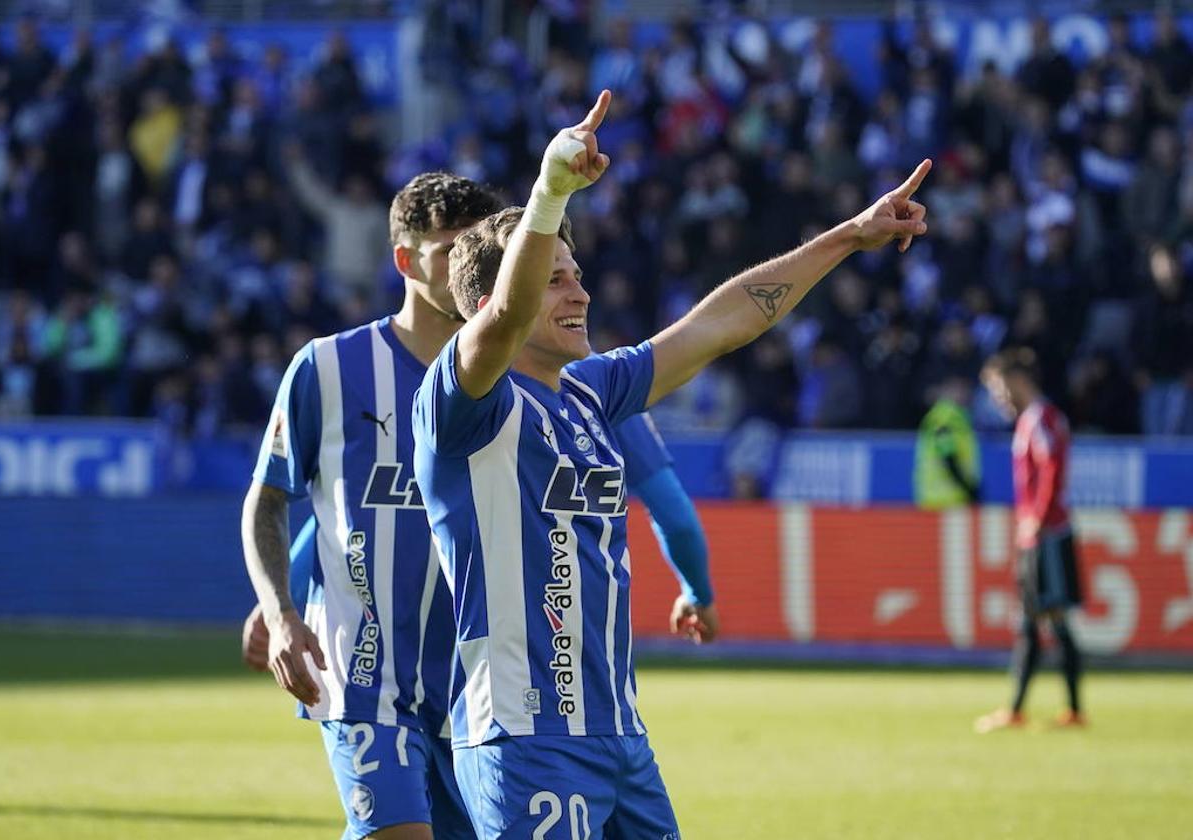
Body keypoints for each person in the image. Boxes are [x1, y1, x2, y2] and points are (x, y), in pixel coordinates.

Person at [411, 89, 929, 837]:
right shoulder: (461, 403)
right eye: (556, 277)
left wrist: (847, 236)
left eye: (578, 272)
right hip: (526, 738)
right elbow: (500, 322)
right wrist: (551, 190)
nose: (580, 291)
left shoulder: (593, 392)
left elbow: (721, 323)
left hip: (620, 736)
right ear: (499, 298)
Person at [241, 171, 715, 840]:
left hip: (482, 689)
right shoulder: (328, 369)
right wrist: (280, 605)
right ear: (407, 261)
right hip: (371, 677)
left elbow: (666, 498)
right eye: (449, 248)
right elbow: (309, 509)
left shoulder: (567, 379)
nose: (471, 257)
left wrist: (698, 585)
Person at [975, 348, 1085, 734]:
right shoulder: (1031, 420)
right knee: (1033, 621)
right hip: (1036, 532)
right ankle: (1025, 709)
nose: (997, 397)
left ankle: (1065, 710)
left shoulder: (1042, 418)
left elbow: (1053, 469)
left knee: (1048, 620)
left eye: (998, 387)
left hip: (1046, 534)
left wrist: (1037, 519)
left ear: (1018, 380)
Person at [914, 375, 981, 509]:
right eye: (957, 388)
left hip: (941, 499)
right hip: (945, 500)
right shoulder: (945, 418)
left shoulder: (952, 416)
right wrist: (968, 487)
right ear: (945, 390)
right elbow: (947, 456)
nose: (963, 393)